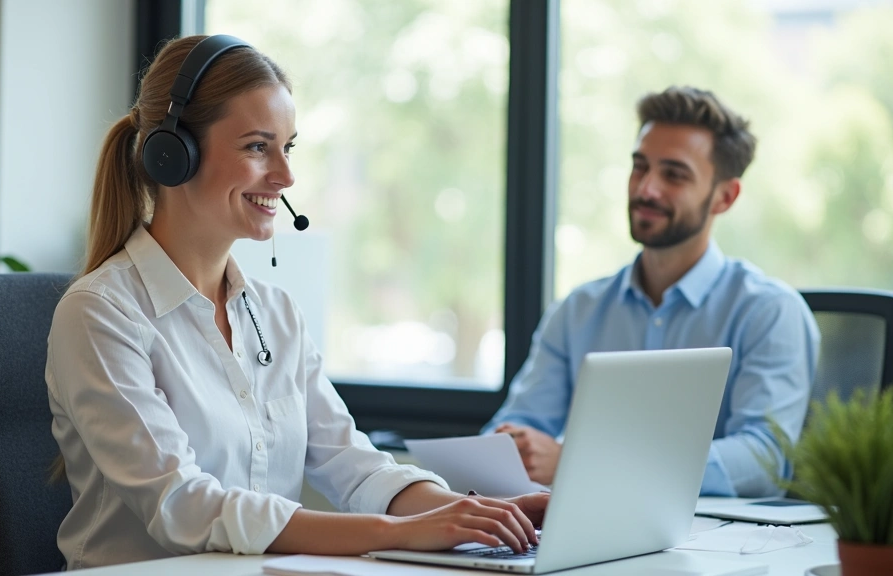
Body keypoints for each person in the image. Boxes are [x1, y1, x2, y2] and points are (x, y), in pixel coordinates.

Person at [45, 35, 547, 569]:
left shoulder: (275, 314)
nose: (285, 177)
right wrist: (396, 531)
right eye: (257, 147)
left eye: (289, 147)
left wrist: (480, 515)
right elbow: (183, 506)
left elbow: (353, 464)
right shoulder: (100, 312)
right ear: (173, 155)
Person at [484, 86, 820, 498]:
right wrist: (505, 450)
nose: (646, 189)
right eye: (639, 167)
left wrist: (580, 462)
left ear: (725, 196)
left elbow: (763, 460)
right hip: (588, 530)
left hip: (720, 547)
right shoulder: (577, 310)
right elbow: (519, 425)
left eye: (674, 175)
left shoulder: (769, 311)